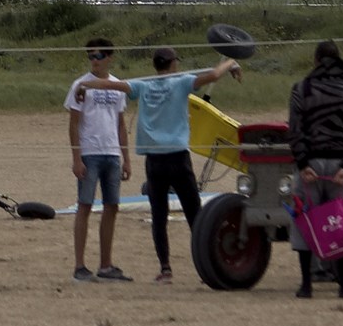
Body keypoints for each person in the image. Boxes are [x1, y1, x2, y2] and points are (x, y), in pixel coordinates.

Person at [123, 45, 242, 283]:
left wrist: (85, 84)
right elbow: (214, 75)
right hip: (177, 158)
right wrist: (231, 62)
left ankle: (165, 268)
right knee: (195, 214)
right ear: (172, 63)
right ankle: (208, 263)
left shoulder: (143, 85)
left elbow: (113, 85)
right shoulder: (181, 83)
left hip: (155, 160)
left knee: (159, 215)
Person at [286, 39, 343, 302]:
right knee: (340, 224)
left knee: (305, 221)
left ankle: (306, 285)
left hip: (310, 165)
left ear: (316, 60)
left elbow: (295, 130)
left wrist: (302, 165)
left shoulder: (301, 89)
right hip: (339, 167)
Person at [63, 40, 134, 282]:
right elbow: (73, 125)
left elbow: (121, 124)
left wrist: (126, 159)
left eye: (99, 55)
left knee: (111, 206)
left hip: (112, 153)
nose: (94, 59)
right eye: (91, 56)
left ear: (110, 57)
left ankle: (106, 265)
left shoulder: (117, 86)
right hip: (90, 153)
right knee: (84, 205)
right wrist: (77, 158)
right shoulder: (79, 85)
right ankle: (80, 266)